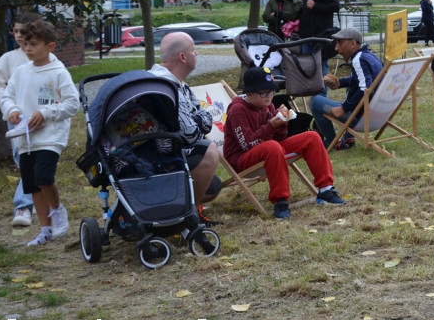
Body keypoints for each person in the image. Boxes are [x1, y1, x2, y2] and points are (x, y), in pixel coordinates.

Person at [224, 67, 345, 219]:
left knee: (312, 136)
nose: (269, 97)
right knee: (272, 147)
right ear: (249, 94)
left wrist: (282, 122)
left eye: (271, 92)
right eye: (264, 93)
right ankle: (280, 201)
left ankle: (326, 189)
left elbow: (280, 138)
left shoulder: (266, 104)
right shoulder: (237, 110)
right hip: (241, 159)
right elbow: (248, 144)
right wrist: (271, 125)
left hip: (269, 150)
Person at [0, 19, 79, 246]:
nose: (27, 49)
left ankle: (57, 210)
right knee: (32, 184)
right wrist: (12, 110)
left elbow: (72, 104)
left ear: (50, 46)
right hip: (24, 138)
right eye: (25, 44)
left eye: (33, 44)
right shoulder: (21, 72)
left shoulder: (58, 73)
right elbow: (7, 96)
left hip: (49, 137)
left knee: (44, 177)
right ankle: (45, 229)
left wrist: (46, 113)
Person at [149, 32, 222, 206]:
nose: (197, 54)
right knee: (209, 151)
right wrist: (195, 121)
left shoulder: (181, 85)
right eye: (193, 50)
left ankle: (178, 209)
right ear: (183, 57)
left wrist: (193, 121)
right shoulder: (165, 86)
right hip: (157, 158)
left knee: (214, 185)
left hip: (170, 153)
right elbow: (190, 134)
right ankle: (188, 216)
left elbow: (206, 119)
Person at [0, 13, 40, 228]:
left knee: (35, 162)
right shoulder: (8, 60)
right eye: (16, 31)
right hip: (16, 119)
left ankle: (23, 205)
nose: (20, 35)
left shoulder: (46, 59)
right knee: (23, 159)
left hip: (41, 119)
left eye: (24, 31)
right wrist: (10, 108)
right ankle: (34, 200)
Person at [310, 28, 383, 150]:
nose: (336, 48)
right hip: (378, 115)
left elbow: (365, 88)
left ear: (353, 43)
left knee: (315, 101)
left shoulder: (358, 60)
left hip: (360, 118)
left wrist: (344, 108)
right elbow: (359, 79)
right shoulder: (369, 55)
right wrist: (340, 83)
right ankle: (348, 137)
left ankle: (332, 142)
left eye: (340, 43)